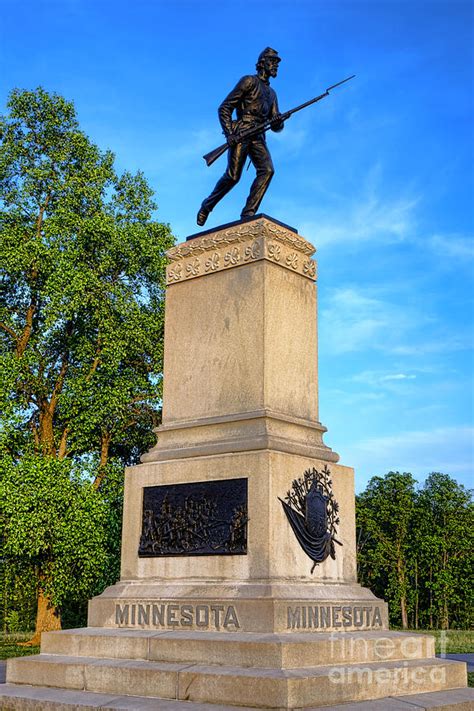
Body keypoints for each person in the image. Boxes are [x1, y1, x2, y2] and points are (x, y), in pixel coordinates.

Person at [197, 47, 284, 227]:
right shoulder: (248, 81)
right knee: (233, 176)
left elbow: (276, 126)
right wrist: (229, 133)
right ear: (262, 63)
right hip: (242, 131)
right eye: (273, 62)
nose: (276, 66)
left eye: (277, 63)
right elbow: (224, 108)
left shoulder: (272, 93)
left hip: (258, 136)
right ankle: (207, 205)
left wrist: (278, 120)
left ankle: (249, 212)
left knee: (267, 170)